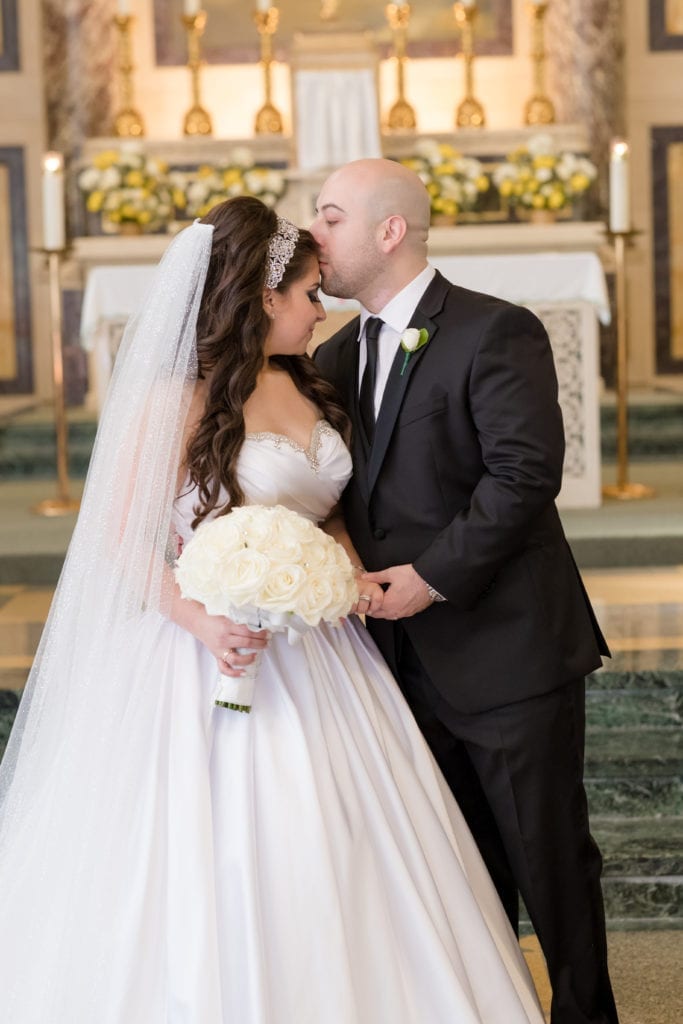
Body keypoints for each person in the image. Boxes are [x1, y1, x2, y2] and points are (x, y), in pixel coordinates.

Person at [0, 196, 545, 1023]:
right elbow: (119, 536)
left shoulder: (308, 381)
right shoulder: (172, 401)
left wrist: (347, 576)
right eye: (307, 295)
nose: (319, 310)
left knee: (349, 844)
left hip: (321, 649)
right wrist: (200, 621)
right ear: (261, 301)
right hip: (204, 650)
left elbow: (324, 507)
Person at [311, 159, 620, 1024]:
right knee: (455, 868)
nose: (314, 237)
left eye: (329, 217)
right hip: (391, 663)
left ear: (389, 231)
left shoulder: (494, 330)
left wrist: (432, 578)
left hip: (505, 649)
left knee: (548, 858)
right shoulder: (333, 354)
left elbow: (524, 477)